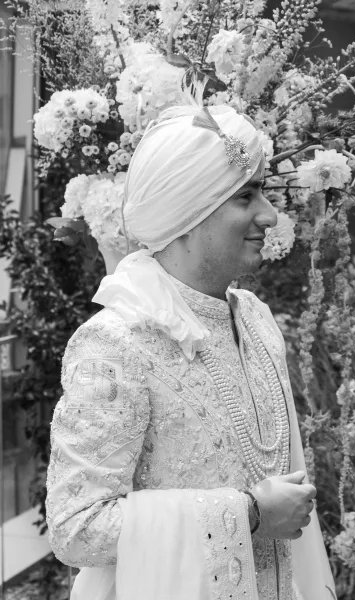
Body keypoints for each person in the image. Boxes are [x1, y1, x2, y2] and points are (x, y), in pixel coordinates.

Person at [46, 101, 337, 600]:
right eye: (247, 196)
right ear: (189, 211)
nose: (270, 215)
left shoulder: (256, 319)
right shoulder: (117, 342)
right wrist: (245, 513)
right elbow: (76, 527)